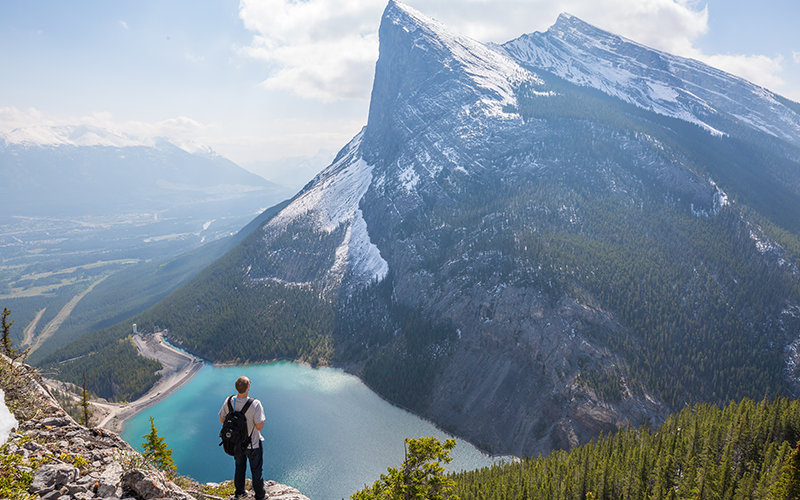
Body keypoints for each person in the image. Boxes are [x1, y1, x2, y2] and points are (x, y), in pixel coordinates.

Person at [219, 376, 266, 500]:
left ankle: (239, 493)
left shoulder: (229, 401)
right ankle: (260, 496)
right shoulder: (255, 404)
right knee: (256, 470)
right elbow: (259, 426)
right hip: (253, 445)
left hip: (237, 444)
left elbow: (222, 420)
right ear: (248, 387)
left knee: (240, 468)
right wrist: (262, 412)